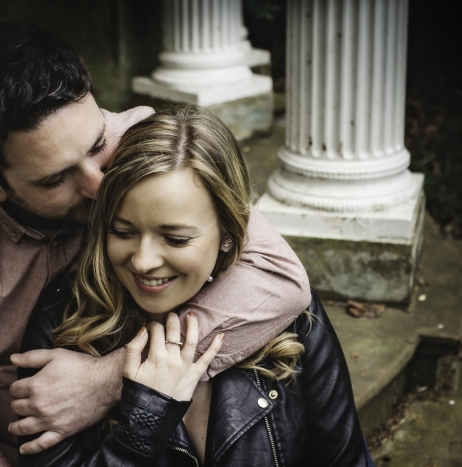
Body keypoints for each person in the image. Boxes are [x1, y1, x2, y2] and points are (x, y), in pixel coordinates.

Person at [0, 23, 311, 465]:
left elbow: (279, 276)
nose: (99, 184)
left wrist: (108, 381)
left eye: (97, 144)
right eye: (55, 179)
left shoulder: (148, 145)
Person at [18, 106, 373, 466]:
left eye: (175, 239)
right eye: (122, 232)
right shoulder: (61, 327)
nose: (142, 261)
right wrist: (142, 421)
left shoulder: (290, 317)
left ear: (228, 237)